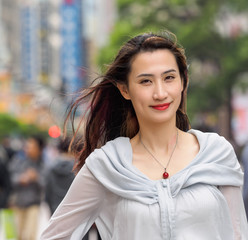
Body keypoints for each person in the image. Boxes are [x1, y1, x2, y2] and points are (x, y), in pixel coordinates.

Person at [40, 31, 248, 239]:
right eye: (146, 81)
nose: (160, 93)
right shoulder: (108, 165)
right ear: (125, 89)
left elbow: (238, 233)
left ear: (183, 81)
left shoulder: (216, 153)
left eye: (169, 78)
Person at [8, 135, 46, 240]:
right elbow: (9, 178)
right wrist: (20, 179)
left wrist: (36, 178)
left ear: (39, 149)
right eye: (27, 146)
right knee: (16, 236)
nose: (28, 148)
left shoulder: (43, 164)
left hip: (33, 204)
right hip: (17, 203)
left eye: (31, 146)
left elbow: (46, 184)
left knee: (30, 236)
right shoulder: (18, 160)